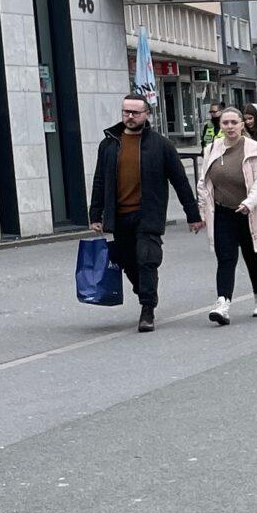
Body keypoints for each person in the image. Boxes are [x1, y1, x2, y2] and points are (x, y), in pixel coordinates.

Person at [88, 91, 202, 334]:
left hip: (147, 214)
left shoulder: (161, 145)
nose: (129, 116)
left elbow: (180, 181)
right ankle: (144, 291)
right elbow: (100, 180)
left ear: (147, 114)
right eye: (126, 112)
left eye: (135, 112)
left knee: (147, 259)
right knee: (127, 261)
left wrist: (193, 215)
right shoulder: (109, 144)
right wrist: (95, 214)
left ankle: (147, 309)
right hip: (120, 216)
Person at [196, 103, 257, 320]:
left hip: (248, 213)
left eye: (234, 122)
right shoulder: (211, 149)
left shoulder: (253, 148)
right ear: (220, 125)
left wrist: (249, 203)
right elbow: (203, 182)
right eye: (225, 123)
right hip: (223, 212)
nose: (230, 126)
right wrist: (202, 212)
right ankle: (222, 304)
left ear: (242, 125)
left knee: (253, 258)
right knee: (225, 259)